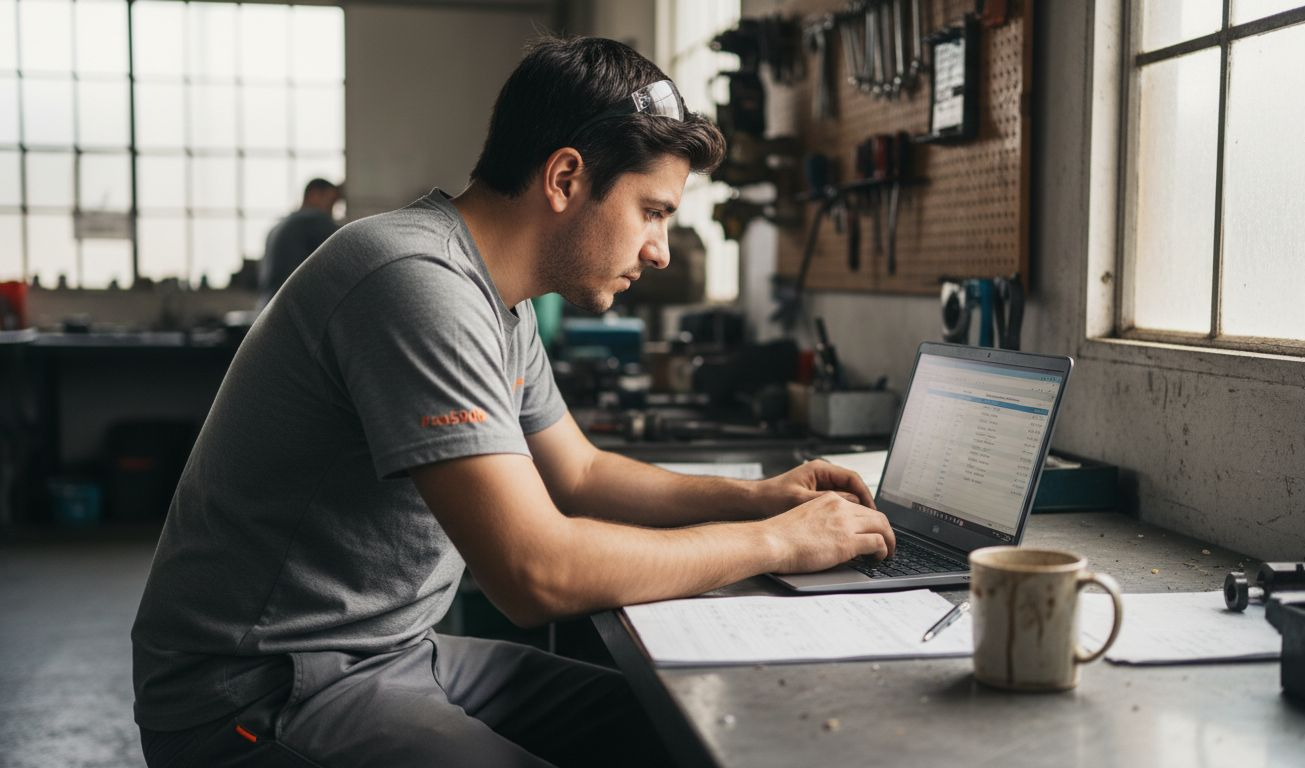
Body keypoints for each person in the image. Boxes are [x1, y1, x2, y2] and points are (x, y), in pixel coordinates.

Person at [131, 36, 895, 767]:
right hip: (261, 691)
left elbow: (581, 475)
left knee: (680, 733)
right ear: (565, 179)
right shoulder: (412, 280)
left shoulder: (501, 299)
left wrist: (757, 500)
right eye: (653, 212)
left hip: (395, 654)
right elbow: (537, 574)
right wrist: (782, 544)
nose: (660, 250)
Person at [257, 177, 344, 302]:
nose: (331, 212)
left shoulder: (279, 226)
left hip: (268, 307)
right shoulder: (312, 219)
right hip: (291, 309)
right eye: (330, 203)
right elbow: (348, 240)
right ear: (314, 195)